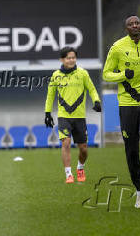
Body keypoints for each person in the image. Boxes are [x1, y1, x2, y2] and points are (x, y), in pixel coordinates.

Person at [103, 15, 140, 209]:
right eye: (130, 24)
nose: (135, 25)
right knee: (132, 150)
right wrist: (122, 75)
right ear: (126, 28)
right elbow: (106, 73)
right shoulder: (117, 47)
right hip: (127, 104)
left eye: (137, 23)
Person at [45, 47, 101, 184]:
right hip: (63, 116)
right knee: (66, 143)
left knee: (83, 149)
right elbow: (50, 96)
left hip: (80, 117)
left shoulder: (82, 73)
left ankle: (80, 168)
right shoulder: (56, 75)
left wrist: (97, 101)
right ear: (62, 59)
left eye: (73, 57)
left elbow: (92, 89)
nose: (71, 60)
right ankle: (68, 174)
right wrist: (47, 113)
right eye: (68, 58)